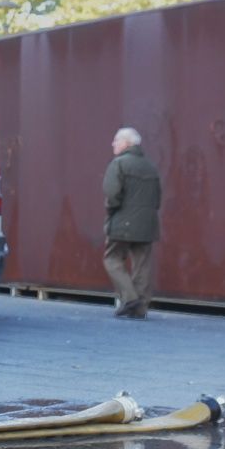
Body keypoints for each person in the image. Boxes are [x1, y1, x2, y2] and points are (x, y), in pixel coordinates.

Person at [103, 126, 162, 319]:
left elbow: (112, 194)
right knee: (142, 264)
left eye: (116, 140)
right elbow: (158, 198)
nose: (113, 144)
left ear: (126, 144)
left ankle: (129, 298)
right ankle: (140, 308)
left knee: (112, 258)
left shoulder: (118, 164)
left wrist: (112, 212)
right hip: (148, 224)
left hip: (123, 221)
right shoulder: (151, 166)